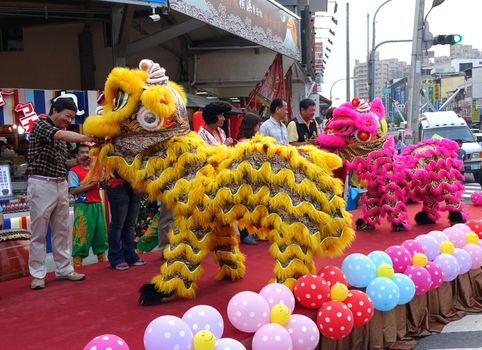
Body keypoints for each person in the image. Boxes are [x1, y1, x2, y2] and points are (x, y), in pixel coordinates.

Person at [27, 97, 92, 290]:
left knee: (63, 230)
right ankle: (38, 274)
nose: (69, 120)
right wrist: (87, 137)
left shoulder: (61, 136)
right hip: (41, 183)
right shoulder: (40, 125)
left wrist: (80, 162)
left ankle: (64, 269)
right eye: (67, 116)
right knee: (38, 232)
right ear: (55, 110)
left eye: (72, 117)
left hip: (60, 183)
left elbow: (63, 163)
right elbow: (61, 135)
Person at [68, 144, 108, 267]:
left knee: (100, 235)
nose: (85, 155)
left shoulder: (96, 169)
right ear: (77, 155)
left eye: (87, 152)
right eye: (82, 152)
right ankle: (77, 264)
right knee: (81, 236)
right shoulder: (73, 171)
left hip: (97, 204)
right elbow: (73, 191)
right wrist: (92, 184)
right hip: (83, 206)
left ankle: (102, 261)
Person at [106, 174, 146, 270]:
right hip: (118, 183)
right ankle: (115, 257)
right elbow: (116, 164)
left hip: (136, 183)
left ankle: (130, 255)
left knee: (130, 224)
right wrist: (134, 182)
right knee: (118, 224)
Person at [236, 112, 263, 245]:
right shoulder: (243, 142)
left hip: (254, 178)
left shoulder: (254, 141)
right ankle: (244, 233)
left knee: (252, 207)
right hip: (245, 179)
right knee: (244, 207)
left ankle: (252, 232)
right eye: (258, 125)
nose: (259, 129)